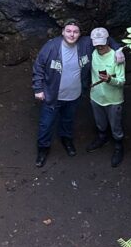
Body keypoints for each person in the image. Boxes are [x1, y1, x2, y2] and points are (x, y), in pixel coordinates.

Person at [32, 19, 123, 168]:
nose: (72, 34)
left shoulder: (85, 44)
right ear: (63, 32)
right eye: (68, 31)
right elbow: (39, 67)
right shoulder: (51, 46)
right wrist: (38, 89)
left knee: (68, 120)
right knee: (46, 124)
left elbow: (108, 39)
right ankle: (43, 149)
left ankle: (66, 140)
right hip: (53, 95)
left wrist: (118, 49)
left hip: (74, 95)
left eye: (75, 32)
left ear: (80, 34)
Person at [87, 26, 125, 167]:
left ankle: (119, 146)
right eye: (97, 44)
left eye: (102, 43)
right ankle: (102, 138)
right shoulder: (92, 53)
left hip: (113, 99)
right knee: (100, 122)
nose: (99, 47)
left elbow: (121, 81)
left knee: (115, 126)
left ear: (108, 40)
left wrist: (110, 79)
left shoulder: (117, 57)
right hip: (96, 97)